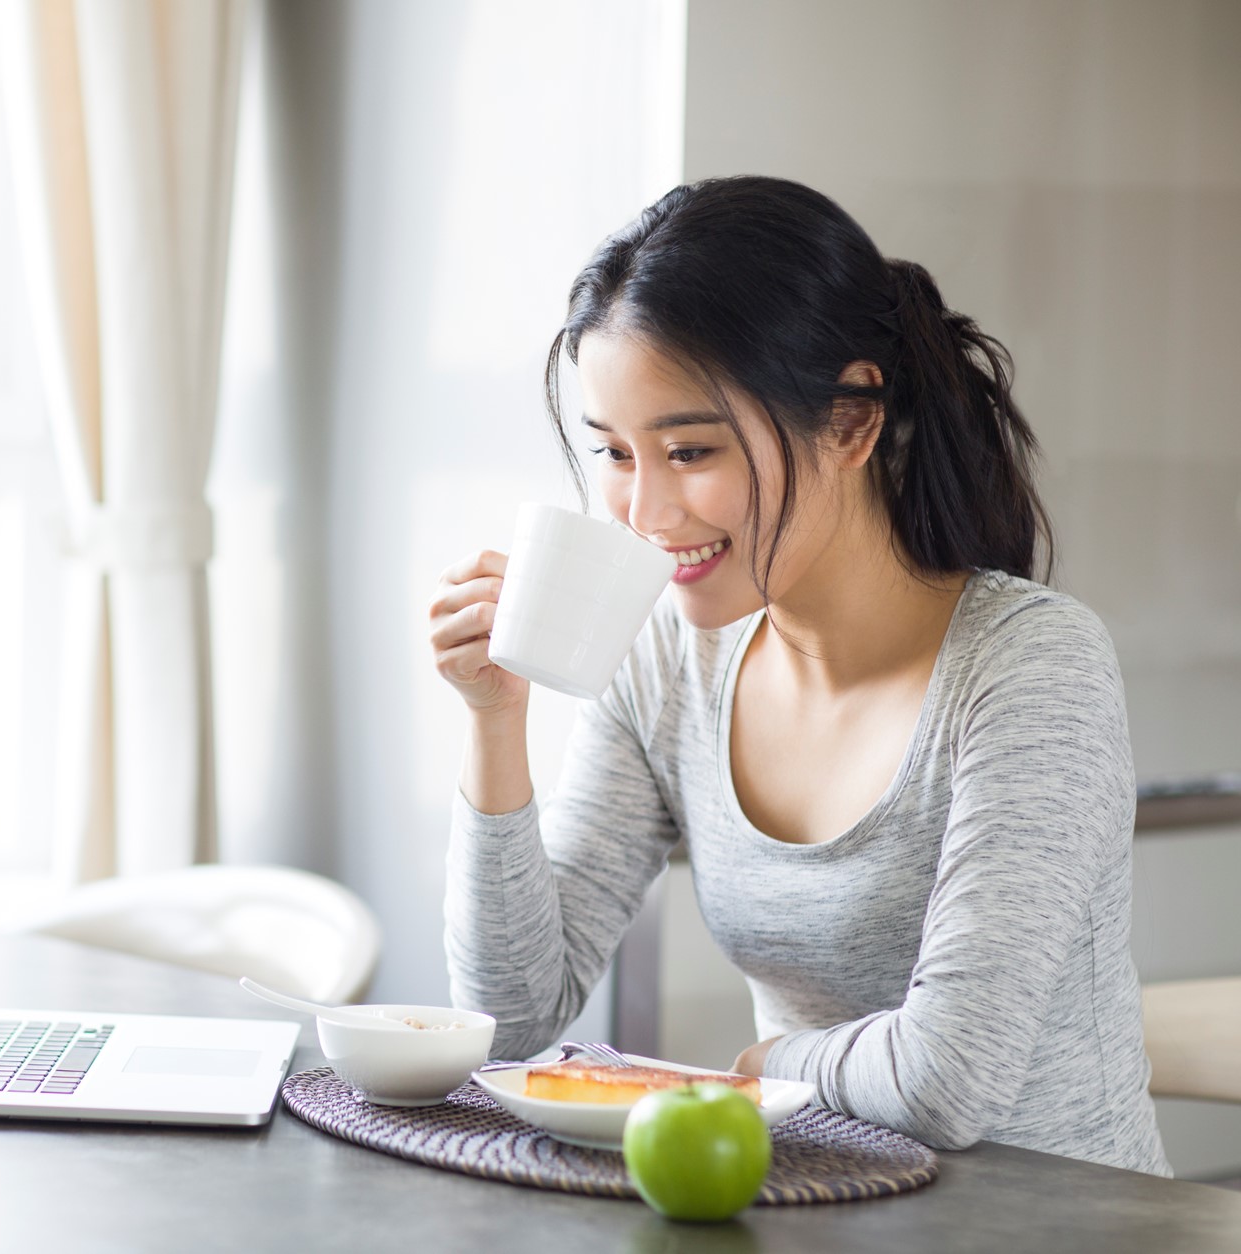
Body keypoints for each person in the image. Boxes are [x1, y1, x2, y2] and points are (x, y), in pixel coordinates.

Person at [429, 175, 1170, 1175]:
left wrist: (765, 1062)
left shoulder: (1028, 667)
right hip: (807, 1208)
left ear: (850, 426)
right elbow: (508, 1016)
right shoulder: (666, 665)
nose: (641, 513)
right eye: (611, 453)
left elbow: (945, 1077)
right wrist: (493, 720)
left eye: (688, 449)